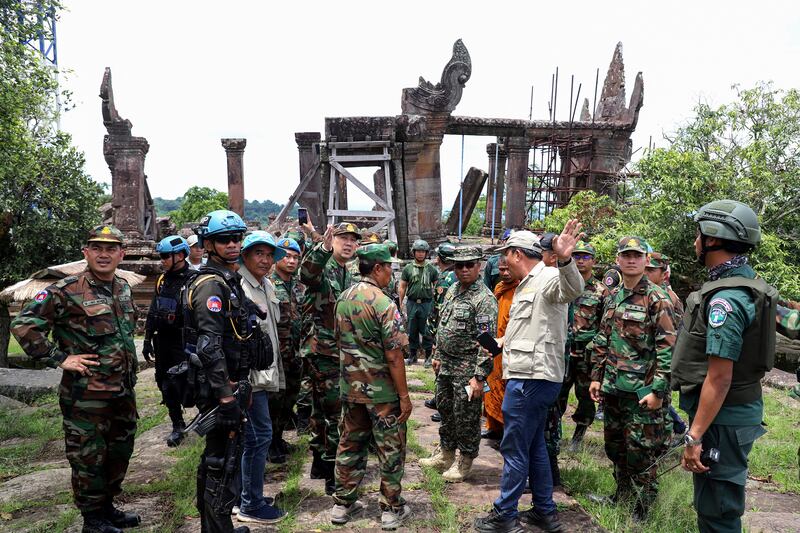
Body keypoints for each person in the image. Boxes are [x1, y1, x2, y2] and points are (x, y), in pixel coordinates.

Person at [12, 225, 141, 533]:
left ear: (121, 254)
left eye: (111, 249)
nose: (104, 254)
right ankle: (92, 519)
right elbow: (25, 325)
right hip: (86, 395)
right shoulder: (65, 289)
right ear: (86, 253)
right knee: (88, 456)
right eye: (97, 248)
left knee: (119, 451)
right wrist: (60, 358)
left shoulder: (122, 287)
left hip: (122, 390)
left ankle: (107, 507)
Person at [672, 200, 777, 533]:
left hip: (722, 419)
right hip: (732, 414)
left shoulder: (725, 301)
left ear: (713, 238)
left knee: (717, 512)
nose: (694, 242)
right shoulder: (747, 284)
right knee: (718, 505)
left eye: (697, 234)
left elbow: (719, 378)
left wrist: (694, 436)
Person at [473, 224, 583, 533]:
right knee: (533, 446)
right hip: (529, 375)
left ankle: (505, 516)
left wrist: (565, 260)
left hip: (532, 379)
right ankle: (544, 512)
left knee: (514, 448)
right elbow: (528, 328)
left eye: (505, 256)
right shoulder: (525, 284)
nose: (502, 263)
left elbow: (572, 288)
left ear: (516, 254)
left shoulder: (547, 277)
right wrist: (497, 344)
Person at [588, 236, 676, 522]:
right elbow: (602, 339)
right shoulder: (612, 297)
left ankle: (645, 508)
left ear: (646, 261)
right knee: (615, 447)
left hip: (643, 393)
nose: (631, 260)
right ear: (617, 260)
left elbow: (668, 349)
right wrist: (596, 377)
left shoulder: (656, 299)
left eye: (637, 255)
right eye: (626, 255)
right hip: (613, 388)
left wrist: (659, 392)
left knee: (641, 451)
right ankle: (621, 496)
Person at [330, 243, 413, 529]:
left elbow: (338, 341)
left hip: (351, 390)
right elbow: (394, 355)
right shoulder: (383, 303)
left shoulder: (343, 298)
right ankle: (391, 508)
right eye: (389, 266)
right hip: (383, 395)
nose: (392, 272)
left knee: (350, 445)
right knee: (390, 449)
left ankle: (343, 504)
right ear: (377, 268)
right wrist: (404, 396)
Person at [184, 210, 253, 533]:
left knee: (221, 455)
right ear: (208, 244)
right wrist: (226, 398)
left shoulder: (227, 279)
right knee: (220, 462)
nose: (233, 244)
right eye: (225, 239)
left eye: (237, 238)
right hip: (218, 388)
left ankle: (215, 526)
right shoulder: (211, 285)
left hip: (228, 384)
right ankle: (218, 528)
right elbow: (208, 347)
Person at [420, 246, 498, 483]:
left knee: (466, 417)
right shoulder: (453, 289)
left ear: (479, 266)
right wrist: (437, 354)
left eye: (469, 265)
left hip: (467, 370)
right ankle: (445, 453)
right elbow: (444, 324)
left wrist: (479, 377)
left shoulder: (484, 299)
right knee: (445, 410)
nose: (463, 269)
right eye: (459, 265)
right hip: (446, 366)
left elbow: (488, 344)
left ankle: (465, 460)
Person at [300, 222, 361, 495]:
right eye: (342, 238)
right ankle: (334, 472)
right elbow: (307, 274)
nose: (348, 243)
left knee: (321, 411)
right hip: (324, 352)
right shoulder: (323, 266)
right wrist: (322, 246)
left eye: (353, 240)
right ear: (332, 240)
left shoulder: (349, 272)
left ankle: (319, 463)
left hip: (337, 352)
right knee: (335, 415)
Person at [235, 231, 286, 524]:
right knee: (259, 437)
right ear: (245, 256)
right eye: (259, 254)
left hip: (263, 375)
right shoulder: (241, 286)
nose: (265, 260)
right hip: (250, 379)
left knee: (253, 439)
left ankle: (247, 495)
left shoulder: (265, 284)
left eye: (269, 255)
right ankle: (250, 504)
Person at [557, 241, 608, 452]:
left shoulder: (601, 291)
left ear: (593, 261)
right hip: (562, 351)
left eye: (585, 257)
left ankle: (579, 435)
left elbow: (606, 326)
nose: (580, 260)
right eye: (577, 256)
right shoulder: (563, 285)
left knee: (585, 396)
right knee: (557, 393)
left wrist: (593, 346)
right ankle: (555, 433)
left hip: (586, 354)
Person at [142, 235, 193, 448]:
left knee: (186, 382)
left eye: (165, 256)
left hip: (183, 341)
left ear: (180, 255)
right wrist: (147, 339)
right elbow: (154, 310)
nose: (161, 260)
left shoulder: (194, 279)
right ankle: (177, 424)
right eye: (160, 256)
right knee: (164, 382)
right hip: (163, 341)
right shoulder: (162, 280)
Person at [268, 237, 304, 464]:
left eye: (295, 257)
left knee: (290, 396)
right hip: (276, 354)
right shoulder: (269, 284)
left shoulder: (300, 285)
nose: (291, 261)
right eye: (287, 256)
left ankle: (279, 437)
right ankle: (270, 442)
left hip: (295, 353)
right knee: (274, 400)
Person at [482, 254, 518, 441]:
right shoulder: (499, 288)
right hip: (495, 345)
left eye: (507, 269)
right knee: (491, 385)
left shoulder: (521, 289)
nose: (504, 273)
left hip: (512, 346)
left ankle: (506, 429)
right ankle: (492, 426)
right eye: (501, 270)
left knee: (506, 389)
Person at [426, 242, 458, 422]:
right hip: (446, 330)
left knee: (442, 368)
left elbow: (440, 309)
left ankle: (444, 405)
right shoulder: (453, 276)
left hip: (442, 330)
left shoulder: (445, 279)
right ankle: (439, 399)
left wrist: (435, 334)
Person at [399, 239, 438, 365]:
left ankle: (428, 356)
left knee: (427, 330)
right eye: (418, 251)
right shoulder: (408, 269)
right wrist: (400, 302)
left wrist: (436, 304)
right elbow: (403, 286)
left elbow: (437, 286)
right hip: (412, 302)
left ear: (426, 253)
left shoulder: (432, 269)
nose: (420, 254)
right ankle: (412, 355)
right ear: (413, 252)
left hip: (427, 303)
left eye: (423, 252)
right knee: (412, 329)